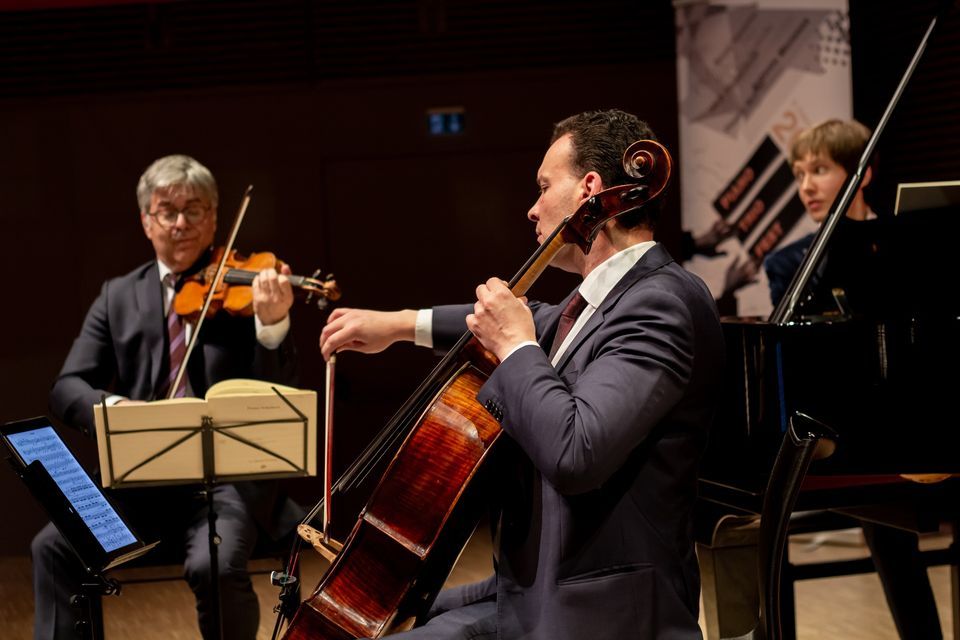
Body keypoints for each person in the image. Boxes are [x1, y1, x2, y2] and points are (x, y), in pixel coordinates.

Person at [319, 109, 725, 639]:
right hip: (536, 591)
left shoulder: (661, 303)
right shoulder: (593, 306)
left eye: (544, 186)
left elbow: (576, 453)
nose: (532, 209)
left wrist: (514, 344)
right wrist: (396, 325)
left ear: (590, 189)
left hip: (603, 612)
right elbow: (521, 317)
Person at [35, 154, 299, 640]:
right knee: (52, 546)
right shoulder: (117, 296)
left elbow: (278, 390)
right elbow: (66, 388)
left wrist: (272, 325)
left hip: (224, 485)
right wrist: (118, 408)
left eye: (194, 210)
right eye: (167, 211)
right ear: (146, 221)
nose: (181, 224)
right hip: (141, 481)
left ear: (214, 218)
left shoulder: (243, 289)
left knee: (214, 563)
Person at [770, 119, 943, 639]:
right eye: (799, 174)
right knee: (879, 518)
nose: (806, 186)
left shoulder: (913, 243)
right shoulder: (789, 262)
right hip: (839, 422)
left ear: (861, 174)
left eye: (820, 170)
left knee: (895, 514)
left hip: (912, 411)